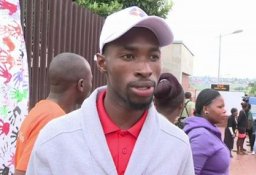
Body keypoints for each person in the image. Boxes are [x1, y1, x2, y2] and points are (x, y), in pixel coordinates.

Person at [26, 6, 194, 175]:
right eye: (128, 56)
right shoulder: (56, 138)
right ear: (102, 63)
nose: (145, 69)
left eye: (153, 57)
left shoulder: (177, 145)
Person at [14, 52, 93, 175]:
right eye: (90, 80)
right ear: (81, 84)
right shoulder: (52, 119)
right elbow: (22, 171)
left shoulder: (40, 109)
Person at [183, 88, 230, 175]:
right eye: (220, 107)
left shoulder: (207, 131)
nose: (224, 110)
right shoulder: (202, 136)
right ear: (206, 109)